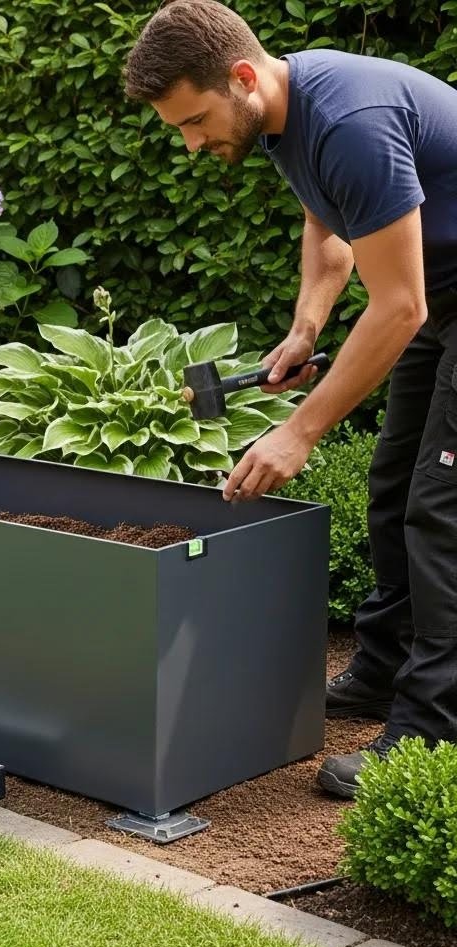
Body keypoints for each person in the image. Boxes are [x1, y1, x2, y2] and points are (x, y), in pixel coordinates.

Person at [124, 0, 457, 797]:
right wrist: (307, 327)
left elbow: (399, 305)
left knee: (441, 511)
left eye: (196, 120)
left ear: (242, 77)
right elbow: (329, 224)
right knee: (392, 487)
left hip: (431, 302)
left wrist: (297, 433)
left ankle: (432, 733)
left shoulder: (347, 118)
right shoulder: (284, 119)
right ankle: (380, 671)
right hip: (440, 301)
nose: (193, 142)